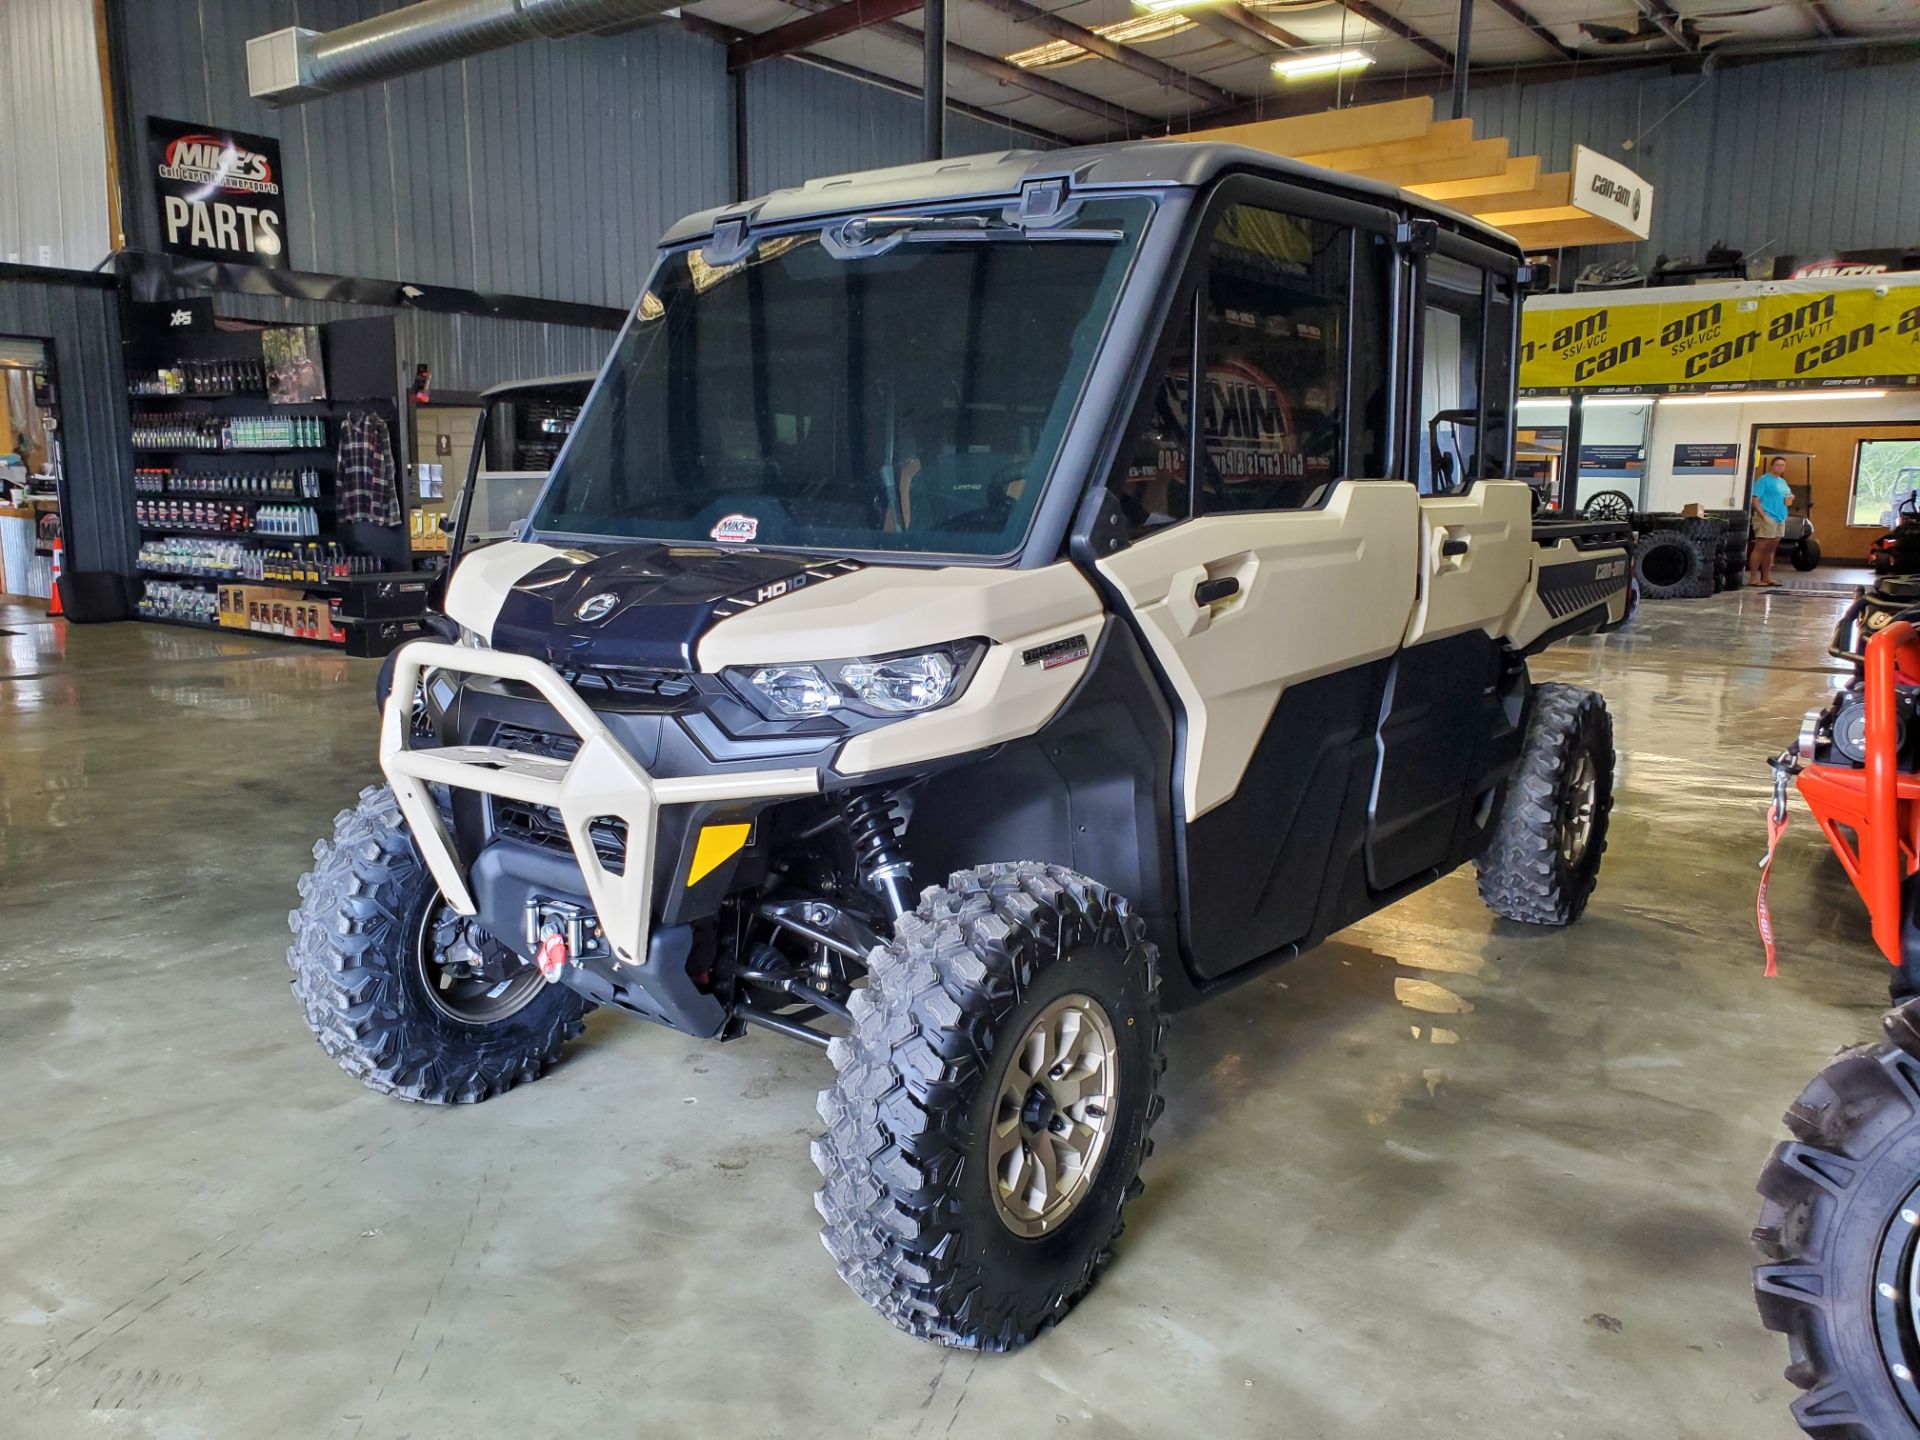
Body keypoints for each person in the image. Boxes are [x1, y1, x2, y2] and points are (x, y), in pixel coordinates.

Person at [1750, 455, 1793, 587]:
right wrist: (1763, 515)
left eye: (1782, 465)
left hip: (1780, 517)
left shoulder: (1782, 482)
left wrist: (1790, 497)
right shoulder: (1764, 480)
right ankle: (1753, 578)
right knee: (1761, 546)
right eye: (1777, 465)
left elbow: (1786, 496)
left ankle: (1766, 577)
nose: (1780, 467)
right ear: (1772, 466)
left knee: (1770, 549)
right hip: (1767, 516)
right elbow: (1755, 499)